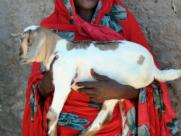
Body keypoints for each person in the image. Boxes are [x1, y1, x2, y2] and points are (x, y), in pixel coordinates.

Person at [22, 0, 178, 136]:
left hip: (114, 127)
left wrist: (120, 91)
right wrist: (52, 79)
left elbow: (151, 80)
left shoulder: (123, 23)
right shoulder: (48, 31)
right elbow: (37, 91)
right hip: (64, 129)